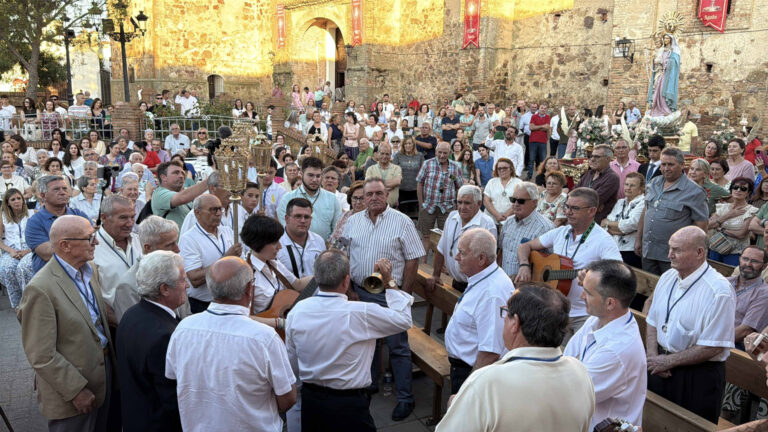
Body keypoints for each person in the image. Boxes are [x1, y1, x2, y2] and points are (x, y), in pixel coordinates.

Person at [436, 283, 595, 431]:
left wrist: (456, 406)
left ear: (515, 323)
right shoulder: (581, 372)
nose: (503, 318)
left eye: (506, 312)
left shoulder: (486, 383)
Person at [165, 256, 297, 431]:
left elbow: (173, 378)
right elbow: (287, 398)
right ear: (250, 289)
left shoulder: (183, 328)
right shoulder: (264, 338)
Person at [286, 250, 412, 432]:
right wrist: (389, 281)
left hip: (312, 400)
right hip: (349, 405)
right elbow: (404, 320)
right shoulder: (362, 313)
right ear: (346, 281)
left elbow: (292, 362)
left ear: (316, 278)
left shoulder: (297, 311)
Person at [19, 215, 115, 432]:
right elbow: (41, 355)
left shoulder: (89, 270)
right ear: (65, 245)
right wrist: (76, 391)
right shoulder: (40, 288)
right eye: (89, 238)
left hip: (103, 373)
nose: (96, 242)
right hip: (72, 392)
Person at [341, 178, 425, 420]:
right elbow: (346, 256)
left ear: (387, 194)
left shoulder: (402, 221)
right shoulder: (353, 221)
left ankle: (405, 398)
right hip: (359, 291)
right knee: (367, 341)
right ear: (363, 197)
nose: (374, 198)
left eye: (379, 193)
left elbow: (413, 259)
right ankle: (369, 384)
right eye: (369, 194)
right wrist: (349, 291)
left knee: (397, 347)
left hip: (389, 294)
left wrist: (402, 295)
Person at [645, 226, 735, 423]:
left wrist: (668, 361)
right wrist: (652, 356)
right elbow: (653, 320)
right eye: (670, 248)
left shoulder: (719, 290)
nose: (669, 255)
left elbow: (714, 345)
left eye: (677, 250)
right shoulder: (668, 277)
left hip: (697, 376)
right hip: (659, 365)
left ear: (699, 253)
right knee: (653, 423)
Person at [516, 188, 622, 342]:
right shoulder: (560, 232)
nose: (568, 212)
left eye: (575, 208)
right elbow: (524, 247)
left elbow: (618, 271)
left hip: (585, 315)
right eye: (567, 206)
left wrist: (594, 277)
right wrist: (524, 265)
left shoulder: (603, 240)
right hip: (555, 311)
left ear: (592, 211)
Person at [564, 260, 647, 429]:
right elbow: (566, 360)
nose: (581, 296)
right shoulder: (596, 320)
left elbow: (570, 395)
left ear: (610, 303)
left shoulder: (617, 351)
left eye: (587, 292)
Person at [116, 251, 185, 432]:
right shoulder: (164, 336)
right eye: (182, 280)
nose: (187, 286)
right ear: (164, 289)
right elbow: (172, 398)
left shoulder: (131, 314)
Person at [444, 228, 514, 394]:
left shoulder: (492, 294)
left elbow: (491, 352)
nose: (457, 257)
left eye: (462, 252)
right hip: (466, 368)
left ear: (481, 258)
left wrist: (467, 392)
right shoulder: (483, 278)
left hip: (473, 373)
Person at [635, 147, 708, 275]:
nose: (666, 168)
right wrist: (638, 238)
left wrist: (695, 253)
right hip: (649, 250)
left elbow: (701, 226)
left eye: (671, 164)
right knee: (650, 287)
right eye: (663, 164)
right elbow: (646, 211)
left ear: (682, 165)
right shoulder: (653, 183)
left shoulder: (694, 191)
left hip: (674, 256)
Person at [112, 216, 191, 322]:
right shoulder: (128, 286)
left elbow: (185, 313)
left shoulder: (176, 269)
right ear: (148, 248)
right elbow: (135, 329)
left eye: (176, 242)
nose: (177, 249)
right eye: (170, 245)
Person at [178, 194, 241, 313]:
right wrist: (226, 258)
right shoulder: (189, 239)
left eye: (219, 209)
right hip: (203, 305)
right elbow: (195, 279)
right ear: (197, 213)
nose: (218, 214)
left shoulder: (227, 231)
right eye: (212, 210)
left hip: (229, 301)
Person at [428, 185, 497, 293]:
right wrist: (435, 275)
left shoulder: (487, 224)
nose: (462, 207)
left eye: (467, 203)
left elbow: (488, 262)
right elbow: (441, 249)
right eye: (459, 202)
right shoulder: (452, 217)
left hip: (476, 287)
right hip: (455, 282)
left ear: (479, 204)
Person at [26, 176, 90, 274]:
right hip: (52, 276)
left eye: (64, 188)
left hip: (82, 272)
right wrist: (82, 244)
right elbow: (47, 254)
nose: (62, 192)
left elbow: (93, 242)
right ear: (43, 195)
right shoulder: (35, 222)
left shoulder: (79, 215)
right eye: (56, 189)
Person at [278, 156, 341, 241]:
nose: (314, 180)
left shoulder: (332, 199)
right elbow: (284, 228)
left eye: (318, 176)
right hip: (295, 249)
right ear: (301, 173)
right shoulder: (288, 199)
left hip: (324, 250)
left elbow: (337, 230)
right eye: (310, 175)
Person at [499, 182, 554, 277]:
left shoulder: (545, 228)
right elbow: (501, 252)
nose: (515, 204)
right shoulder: (508, 222)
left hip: (527, 287)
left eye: (521, 201)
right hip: (504, 283)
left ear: (534, 202)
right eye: (513, 200)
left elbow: (552, 263)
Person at [708, 177, 758, 265]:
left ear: (748, 193)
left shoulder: (751, 210)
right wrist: (729, 215)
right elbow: (708, 225)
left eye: (743, 189)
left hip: (735, 253)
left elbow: (741, 234)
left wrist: (721, 229)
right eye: (735, 187)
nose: (738, 190)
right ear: (731, 190)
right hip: (715, 249)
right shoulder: (722, 207)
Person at [151, 161, 217, 228]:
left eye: (182, 173)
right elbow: (183, 198)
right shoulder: (159, 194)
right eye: (176, 173)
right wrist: (210, 180)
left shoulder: (183, 194)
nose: (181, 176)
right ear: (163, 177)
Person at [602, 172, 646, 268]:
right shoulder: (620, 202)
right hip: (614, 248)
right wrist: (615, 227)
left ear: (641, 188)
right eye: (626, 184)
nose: (628, 188)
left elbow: (629, 225)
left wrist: (609, 224)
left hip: (631, 251)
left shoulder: (644, 203)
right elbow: (603, 224)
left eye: (632, 185)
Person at [728, 246, 768, 349]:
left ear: (764, 266)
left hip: (733, 344)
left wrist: (711, 342)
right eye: (745, 259)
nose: (748, 264)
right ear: (740, 259)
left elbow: (745, 330)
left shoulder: (763, 293)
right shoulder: (725, 282)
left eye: (754, 261)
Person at [0, 188, 33, 310]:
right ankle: (18, 304)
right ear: (7, 202)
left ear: (23, 200)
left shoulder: (32, 213)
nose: (17, 201)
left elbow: (39, 238)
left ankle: (31, 301)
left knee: (24, 268)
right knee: (7, 268)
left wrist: (27, 251)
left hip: (30, 249)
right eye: (13, 199)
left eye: (19, 198)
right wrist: (11, 251)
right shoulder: (2, 217)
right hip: (10, 250)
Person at [277, 198, 326, 278]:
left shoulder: (319, 241)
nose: (303, 221)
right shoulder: (276, 242)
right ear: (287, 219)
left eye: (306, 217)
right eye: (298, 216)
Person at [576, 144, 619, 223]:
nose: (592, 159)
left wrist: (591, 202)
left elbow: (593, 201)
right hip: (579, 218)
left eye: (597, 157)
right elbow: (573, 193)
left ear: (607, 159)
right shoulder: (589, 174)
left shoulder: (612, 178)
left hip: (596, 222)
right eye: (591, 156)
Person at [482, 157, 521, 224]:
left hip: (511, 221)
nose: (502, 170)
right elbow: (486, 200)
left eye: (505, 168)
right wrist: (497, 215)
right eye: (499, 168)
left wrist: (506, 216)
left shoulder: (518, 183)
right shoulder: (491, 182)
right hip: (491, 221)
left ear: (511, 169)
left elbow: (519, 202)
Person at [392, 137, 424, 213]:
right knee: (402, 213)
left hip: (415, 190)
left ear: (413, 145)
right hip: (401, 190)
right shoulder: (398, 156)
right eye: (406, 143)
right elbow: (393, 171)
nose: (407, 145)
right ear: (403, 145)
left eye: (410, 143)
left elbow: (423, 172)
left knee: (414, 214)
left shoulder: (420, 156)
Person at [365, 142, 402, 208]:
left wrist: (377, 186)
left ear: (390, 155)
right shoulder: (370, 169)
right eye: (382, 153)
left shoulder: (396, 168)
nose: (384, 156)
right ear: (378, 154)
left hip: (392, 208)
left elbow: (397, 181)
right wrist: (390, 185)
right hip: (374, 208)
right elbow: (369, 185)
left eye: (387, 154)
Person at [527, 103, 551, 180]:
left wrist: (536, 127)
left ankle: (542, 177)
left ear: (546, 110)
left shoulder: (548, 117)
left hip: (543, 141)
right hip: (533, 141)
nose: (543, 109)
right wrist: (542, 126)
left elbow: (547, 127)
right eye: (541, 108)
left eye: (545, 108)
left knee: (542, 160)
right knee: (531, 159)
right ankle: (529, 175)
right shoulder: (534, 116)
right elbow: (531, 127)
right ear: (539, 109)